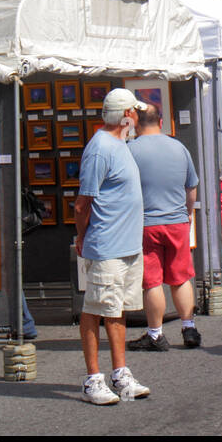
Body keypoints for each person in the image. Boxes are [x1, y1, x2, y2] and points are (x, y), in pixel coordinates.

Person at [74, 88, 153, 405]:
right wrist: (82, 238)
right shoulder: (100, 149)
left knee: (115, 310)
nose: (138, 116)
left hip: (127, 246)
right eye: (135, 111)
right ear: (126, 115)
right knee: (95, 309)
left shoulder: (120, 144)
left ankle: (120, 374)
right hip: (106, 246)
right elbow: (82, 204)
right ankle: (93, 379)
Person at [126, 104, 202, 352]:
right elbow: (191, 188)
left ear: (136, 124)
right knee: (181, 278)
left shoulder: (130, 150)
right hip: (178, 221)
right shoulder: (178, 147)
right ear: (161, 122)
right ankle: (188, 327)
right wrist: (187, 214)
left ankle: (156, 334)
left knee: (153, 281)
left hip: (146, 224)